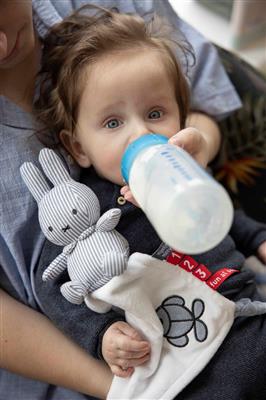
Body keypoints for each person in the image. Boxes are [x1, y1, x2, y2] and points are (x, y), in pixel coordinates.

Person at [0, 0, 245, 398]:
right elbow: (58, 290)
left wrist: (194, 148)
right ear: (75, 147)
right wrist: (116, 361)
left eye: (154, 113)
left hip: (228, 306)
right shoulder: (80, 226)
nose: (137, 135)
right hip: (107, 363)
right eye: (113, 122)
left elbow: (200, 104)